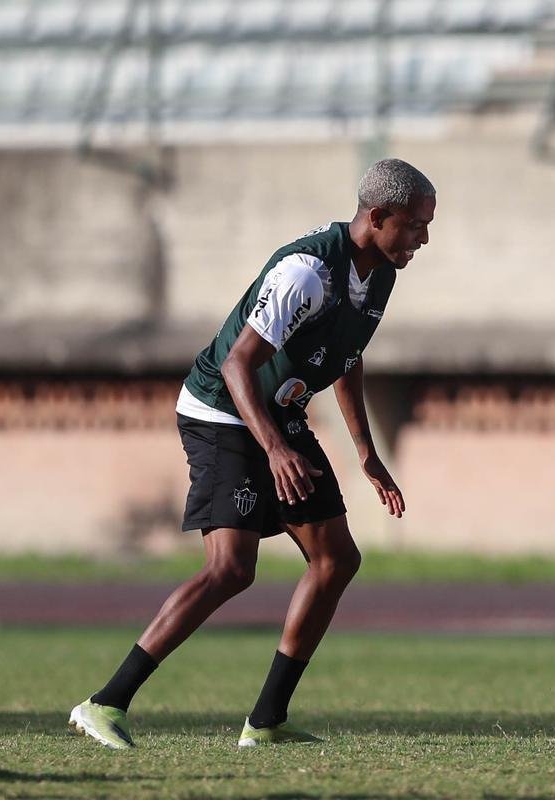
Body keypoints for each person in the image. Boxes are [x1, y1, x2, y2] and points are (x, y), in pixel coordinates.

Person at [69, 158, 436, 749]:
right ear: (379, 216)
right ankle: (105, 703)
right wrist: (273, 449)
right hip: (222, 411)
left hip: (277, 417)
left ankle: (266, 722)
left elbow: (347, 355)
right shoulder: (306, 273)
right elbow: (238, 363)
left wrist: (365, 452)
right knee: (231, 569)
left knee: (337, 559)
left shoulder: (381, 273)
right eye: (417, 225)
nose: (423, 238)